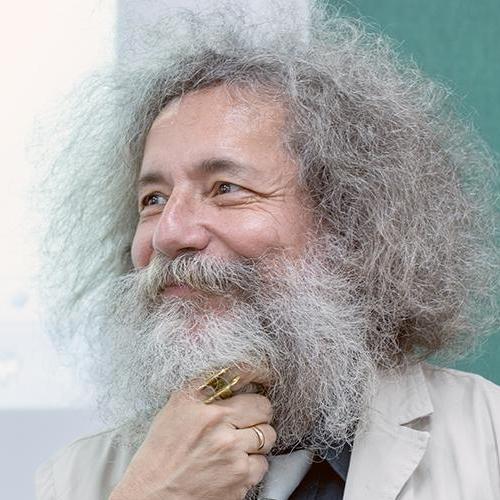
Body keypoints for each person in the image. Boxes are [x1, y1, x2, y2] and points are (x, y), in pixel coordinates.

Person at [35, 2, 499, 499]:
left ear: (349, 221)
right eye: (153, 199)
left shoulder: (488, 440)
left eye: (226, 188)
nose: (169, 234)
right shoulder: (75, 479)